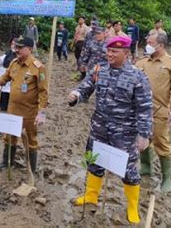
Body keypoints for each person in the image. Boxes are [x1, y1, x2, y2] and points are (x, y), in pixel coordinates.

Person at [67, 36, 152, 224]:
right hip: (99, 128)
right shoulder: (99, 69)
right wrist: (76, 95)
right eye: (109, 51)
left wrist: (144, 135)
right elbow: (86, 87)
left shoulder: (137, 76)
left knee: (128, 170)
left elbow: (144, 108)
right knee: (94, 162)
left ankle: (132, 206)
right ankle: (91, 196)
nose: (110, 54)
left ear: (126, 53)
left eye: (115, 52)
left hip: (125, 133)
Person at [0, 37, 48, 172]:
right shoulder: (14, 63)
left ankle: (31, 169)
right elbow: (3, 80)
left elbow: (43, 92)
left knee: (31, 140)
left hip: (29, 112)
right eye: (16, 47)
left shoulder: (38, 67)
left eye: (20, 48)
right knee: (9, 136)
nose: (17, 50)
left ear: (30, 49)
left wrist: (41, 113)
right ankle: (7, 162)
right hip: (13, 109)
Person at [135, 33, 171, 193]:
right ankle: (146, 167)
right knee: (143, 139)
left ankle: (166, 178)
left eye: (150, 42)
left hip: (159, 111)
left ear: (160, 45)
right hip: (141, 111)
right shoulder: (142, 62)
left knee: (161, 143)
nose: (146, 45)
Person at [0, 37, 17, 111]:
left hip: (14, 78)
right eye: (12, 43)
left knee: (11, 93)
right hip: (5, 75)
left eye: (14, 44)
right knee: (4, 92)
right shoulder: (8, 52)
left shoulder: (19, 54)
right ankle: (3, 108)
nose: (13, 45)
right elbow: (1, 61)